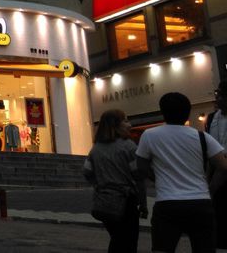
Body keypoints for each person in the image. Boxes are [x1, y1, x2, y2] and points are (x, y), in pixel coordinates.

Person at [136, 92, 227, 253]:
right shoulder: (202, 137)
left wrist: (156, 178)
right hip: (200, 202)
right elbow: (223, 166)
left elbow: (141, 165)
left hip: (167, 203)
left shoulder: (149, 135)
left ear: (163, 112)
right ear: (187, 112)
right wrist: (210, 189)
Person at [83, 109, 147, 252]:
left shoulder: (96, 149)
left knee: (117, 238)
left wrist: (99, 184)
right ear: (115, 125)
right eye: (125, 121)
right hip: (126, 201)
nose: (130, 125)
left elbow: (87, 172)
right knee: (129, 242)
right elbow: (138, 176)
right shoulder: (128, 146)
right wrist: (143, 204)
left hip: (104, 201)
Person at [204, 81, 227, 249]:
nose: (217, 98)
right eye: (217, 94)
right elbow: (209, 149)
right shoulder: (212, 118)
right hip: (216, 170)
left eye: (221, 95)